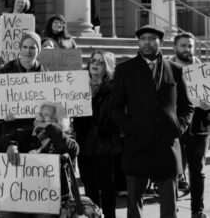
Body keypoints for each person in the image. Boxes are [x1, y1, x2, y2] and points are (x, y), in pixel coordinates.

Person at [109, 24, 194, 218]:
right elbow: (114, 107)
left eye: (151, 39)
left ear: (161, 42)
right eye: (142, 39)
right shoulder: (125, 70)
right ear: (138, 42)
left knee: (169, 205)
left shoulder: (176, 70)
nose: (146, 42)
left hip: (167, 146)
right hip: (137, 144)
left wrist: (178, 127)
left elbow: (187, 106)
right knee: (134, 203)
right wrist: (129, 128)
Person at [0, 102, 78, 218]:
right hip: (23, 197)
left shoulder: (67, 142)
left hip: (52, 201)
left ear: (57, 121)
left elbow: (67, 147)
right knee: (6, 215)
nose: (40, 117)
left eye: (46, 115)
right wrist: (10, 145)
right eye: (40, 114)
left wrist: (48, 126)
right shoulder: (28, 135)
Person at [73, 51, 120, 218]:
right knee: (89, 185)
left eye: (100, 62)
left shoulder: (113, 88)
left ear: (106, 66)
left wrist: (107, 130)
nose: (95, 64)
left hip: (105, 144)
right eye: (93, 60)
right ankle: (94, 215)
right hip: (84, 143)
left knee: (106, 186)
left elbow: (117, 115)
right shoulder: (79, 85)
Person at [170, 32, 209, 218]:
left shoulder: (204, 70)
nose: (188, 49)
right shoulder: (166, 68)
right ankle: (172, 208)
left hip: (200, 127)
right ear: (175, 47)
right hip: (175, 126)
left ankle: (197, 211)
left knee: (198, 171)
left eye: (190, 46)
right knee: (173, 170)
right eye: (184, 45)